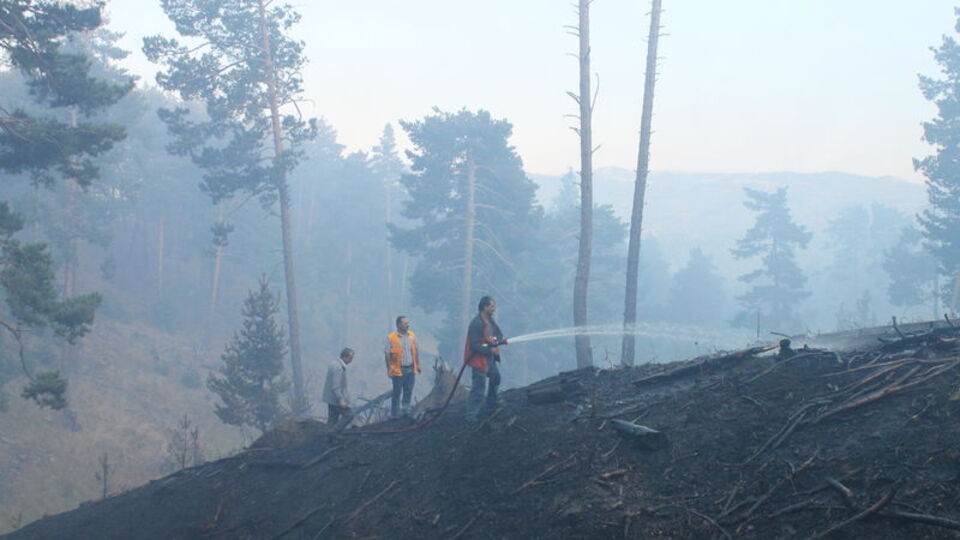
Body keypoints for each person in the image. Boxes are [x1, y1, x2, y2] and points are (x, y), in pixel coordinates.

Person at [464, 296, 507, 422]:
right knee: (478, 388)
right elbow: (474, 345)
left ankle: (491, 405)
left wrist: (497, 340)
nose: (494, 309)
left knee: (495, 378)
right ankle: (471, 415)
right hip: (479, 360)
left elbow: (498, 334)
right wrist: (490, 349)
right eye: (492, 306)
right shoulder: (476, 323)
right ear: (485, 307)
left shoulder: (490, 321)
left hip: (490, 359)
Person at [384, 315, 420, 418]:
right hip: (398, 369)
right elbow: (387, 354)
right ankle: (395, 415)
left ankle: (405, 412)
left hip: (410, 368)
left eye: (408, 323)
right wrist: (389, 369)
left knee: (408, 390)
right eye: (405, 323)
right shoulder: (391, 338)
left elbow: (416, 350)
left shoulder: (412, 336)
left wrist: (417, 364)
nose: (408, 325)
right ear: (399, 325)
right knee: (397, 392)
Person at [322, 348, 355, 429]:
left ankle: (328, 438)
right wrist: (341, 400)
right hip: (335, 399)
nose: (351, 360)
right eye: (351, 358)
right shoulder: (339, 368)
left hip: (330, 398)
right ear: (345, 357)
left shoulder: (334, 364)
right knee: (349, 415)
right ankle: (335, 432)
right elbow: (336, 386)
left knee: (332, 420)